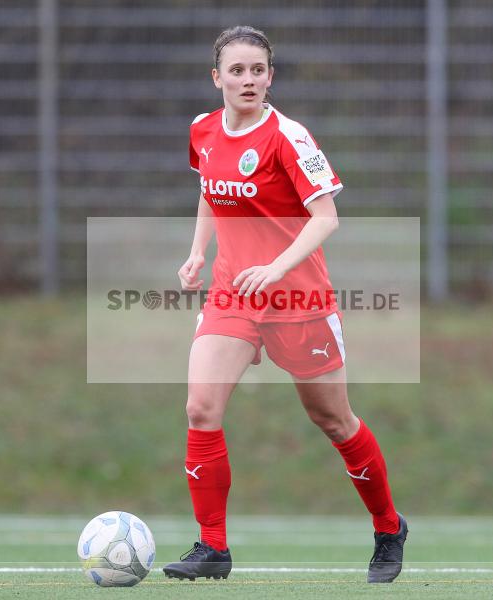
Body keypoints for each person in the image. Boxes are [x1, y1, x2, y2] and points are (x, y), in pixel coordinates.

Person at [162, 26, 406, 584]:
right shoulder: (202, 130)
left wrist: (276, 269)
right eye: (237, 70)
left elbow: (326, 218)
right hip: (232, 294)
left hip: (298, 300)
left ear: (270, 77)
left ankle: (389, 528)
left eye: (258, 70)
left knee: (334, 420)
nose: (248, 80)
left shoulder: (289, 137)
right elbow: (208, 189)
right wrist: (198, 252)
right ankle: (213, 548)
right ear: (217, 76)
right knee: (201, 408)